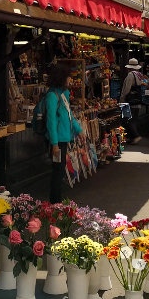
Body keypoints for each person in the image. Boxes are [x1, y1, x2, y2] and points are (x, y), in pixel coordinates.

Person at [44, 62, 83, 203]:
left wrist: (79, 130)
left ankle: (57, 201)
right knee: (57, 172)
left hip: (63, 139)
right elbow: (51, 121)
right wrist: (54, 144)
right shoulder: (53, 96)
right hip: (58, 141)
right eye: (68, 77)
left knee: (59, 171)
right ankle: (55, 202)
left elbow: (69, 115)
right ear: (61, 78)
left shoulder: (62, 95)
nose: (70, 79)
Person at [119, 59, 144, 144]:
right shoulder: (139, 75)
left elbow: (127, 88)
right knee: (134, 119)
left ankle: (136, 136)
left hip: (131, 100)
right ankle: (132, 137)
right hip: (137, 99)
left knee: (128, 119)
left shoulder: (130, 75)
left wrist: (123, 97)